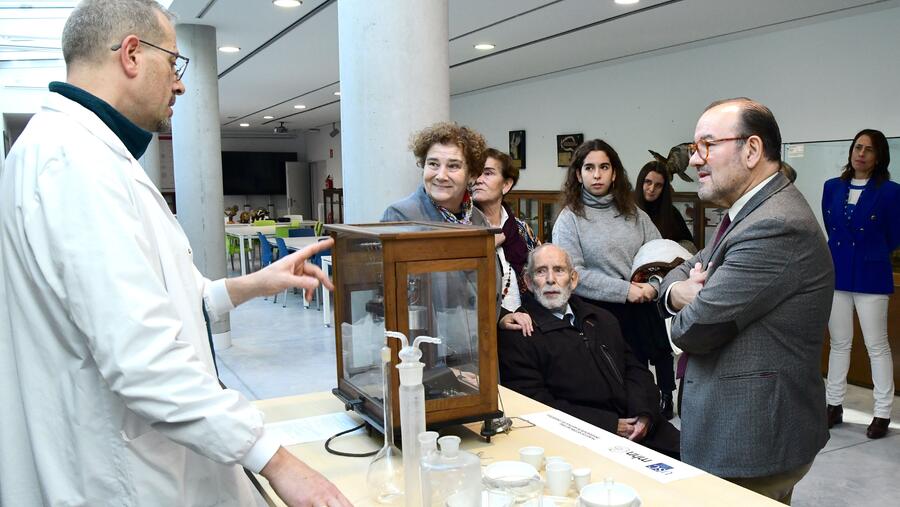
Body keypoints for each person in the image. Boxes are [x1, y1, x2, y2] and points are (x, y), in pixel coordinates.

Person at [0, 1, 350, 506]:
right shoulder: (76, 165)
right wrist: (277, 461)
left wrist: (250, 283)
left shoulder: (73, 150)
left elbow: (154, 303)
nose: (181, 84)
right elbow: (143, 357)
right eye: (174, 64)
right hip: (119, 472)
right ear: (132, 55)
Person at [659, 97, 833, 504]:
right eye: (692, 148)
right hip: (737, 429)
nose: (694, 160)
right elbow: (684, 268)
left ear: (752, 149)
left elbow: (695, 330)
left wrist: (684, 305)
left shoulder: (775, 224)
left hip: (751, 437)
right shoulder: (749, 212)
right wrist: (675, 292)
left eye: (706, 145)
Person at [498, 244, 680, 458]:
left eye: (559, 270)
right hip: (582, 441)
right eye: (540, 271)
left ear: (573, 279)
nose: (550, 279)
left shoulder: (602, 318)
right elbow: (536, 405)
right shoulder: (520, 333)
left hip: (644, 429)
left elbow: (637, 371)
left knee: (703, 469)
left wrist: (644, 415)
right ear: (528, 282)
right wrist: (609, 425)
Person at [552, 139, 677, 420]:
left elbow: (661, 257)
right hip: (597, 315)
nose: (597, 175)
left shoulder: (635, 214)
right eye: (589, 168)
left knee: (641, 386)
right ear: (578, 174)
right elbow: (573, 275)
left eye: (604, 167)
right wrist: (625, 291)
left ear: (615, 173)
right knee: (610, 394)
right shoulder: (569, 219)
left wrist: (653, 287)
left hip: (640, 309)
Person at [822, 129, 899, 439]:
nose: (861, 153)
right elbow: (833, 230)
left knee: (876, 345)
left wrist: (870, 253)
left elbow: (895, 235)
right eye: (857, 147)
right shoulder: (832, 187)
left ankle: (881, 412)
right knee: (839, 343)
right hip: (838, 272)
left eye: (869, 149)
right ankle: (833, 404)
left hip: (872, 274)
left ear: (879, 156)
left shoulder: (891, 192)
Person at [471, 148, 539, 332]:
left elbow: (540, 274)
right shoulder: (463, 229)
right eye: (475, 173)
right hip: (483, 326)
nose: (478, 180)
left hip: (527, 319)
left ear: (506, 185)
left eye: (487, 173)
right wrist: (488, 245)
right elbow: (459, 283)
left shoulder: (521, 229)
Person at [381, 121, 488, 226]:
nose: (441, 176)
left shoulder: (479, 219)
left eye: (453, 166)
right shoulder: (400, 216)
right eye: (433, 164)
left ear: (472, 174)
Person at [634, 160, 696, 251]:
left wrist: (669, 250)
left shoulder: (672, 213)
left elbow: (689, 246)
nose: (652, 189)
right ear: (640, 182)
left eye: (658, 185)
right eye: (648, 182)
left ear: (664, 188)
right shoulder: (627, 209)